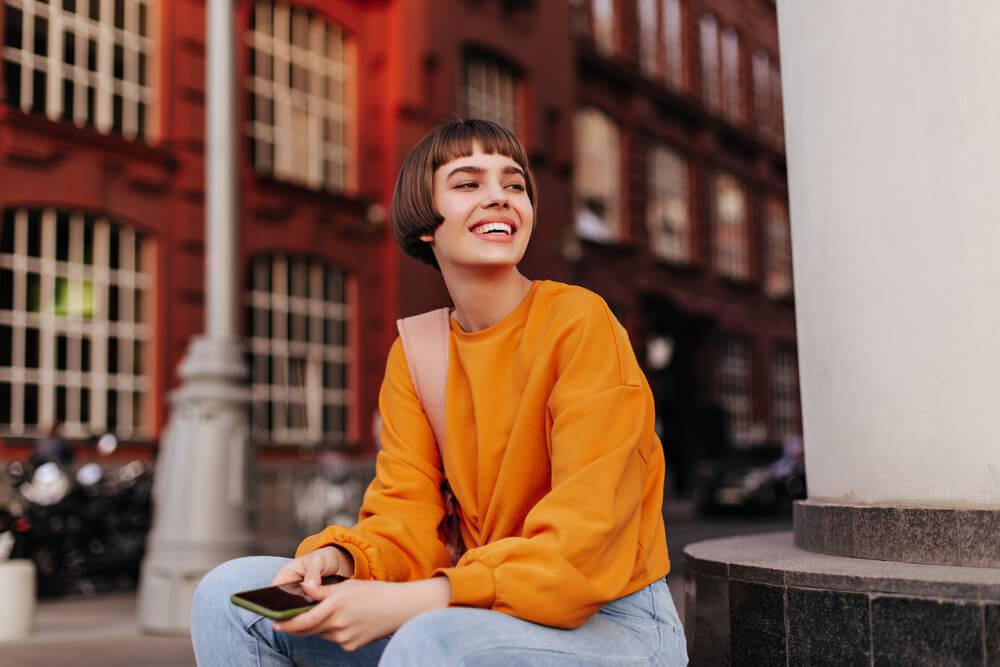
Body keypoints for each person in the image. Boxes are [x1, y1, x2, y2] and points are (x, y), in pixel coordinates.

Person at [191, 119, 688, 666]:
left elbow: (586, 538)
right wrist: (343, 559)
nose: (499, 197)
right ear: (426, 222)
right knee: (228, 595)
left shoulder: (578, 321)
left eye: (514, 184)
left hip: (611, 619)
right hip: (478, 605)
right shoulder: (417, 352)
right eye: (468, 183)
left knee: (429, 641)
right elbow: (406, 517)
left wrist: (419, 601)